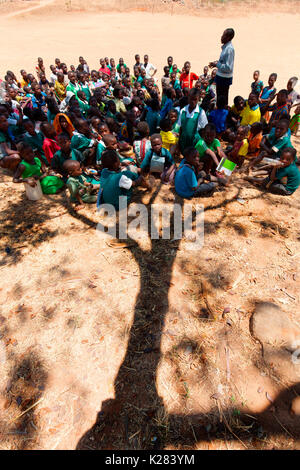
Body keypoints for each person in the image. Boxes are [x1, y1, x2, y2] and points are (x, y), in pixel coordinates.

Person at [209, 28, 235, 106]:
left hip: (224, 79)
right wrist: (216, 63)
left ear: (229, 37)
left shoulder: (229, 49)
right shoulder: (225, 48)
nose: (221, 37)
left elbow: (228, 67)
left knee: (222, 100)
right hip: (221, 77)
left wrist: (217, 65)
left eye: (224, 35)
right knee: (219, 99)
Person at [177, 88, 208, 152]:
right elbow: (180, 128)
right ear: (188, 98)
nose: (192, 101)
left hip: (195, 144)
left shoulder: (201, 112)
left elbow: (204, 129)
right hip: (184, 144)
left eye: (195, 99)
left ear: (198, 99)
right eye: (191, 99)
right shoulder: (183, 111)